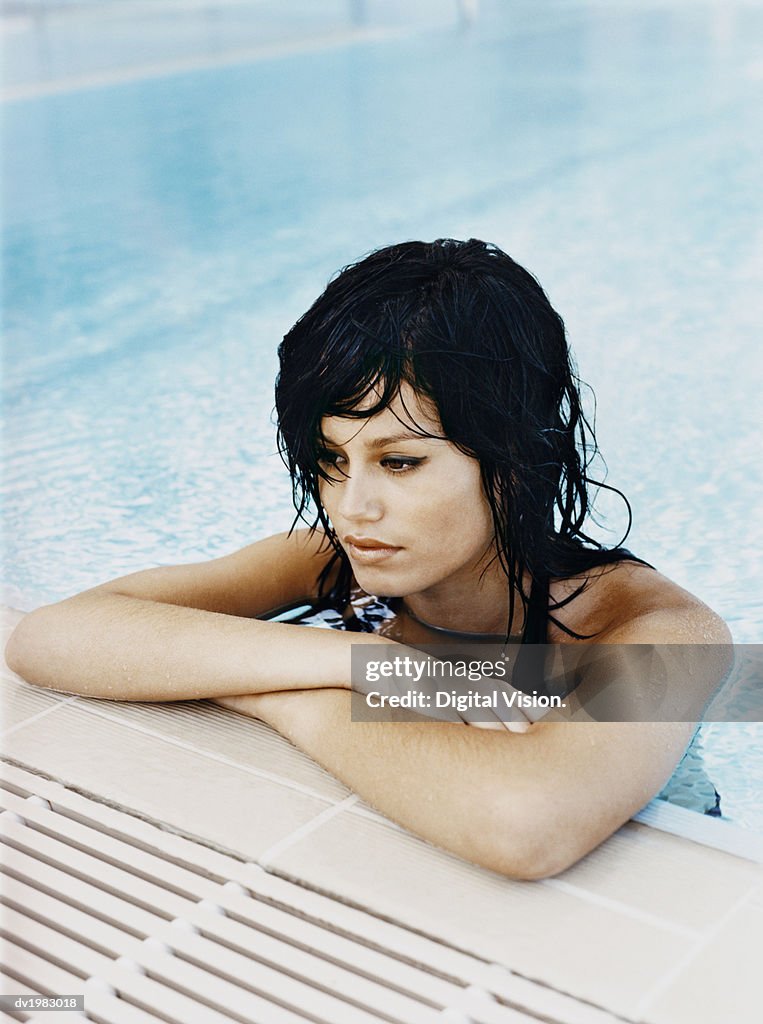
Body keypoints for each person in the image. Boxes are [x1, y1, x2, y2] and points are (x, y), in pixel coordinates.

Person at [5, 238, 730, 879]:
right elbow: (49, 637)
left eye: (401, 462)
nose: (352, 508)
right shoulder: (337, 568)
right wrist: (371, 669)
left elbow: (524, 826)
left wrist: (280, 693)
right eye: (329, 461)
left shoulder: (655, 630)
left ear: (513, 457)